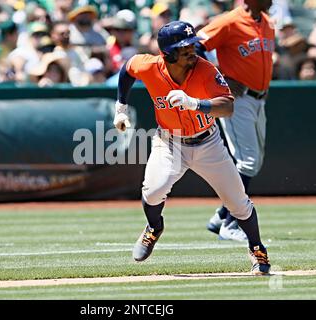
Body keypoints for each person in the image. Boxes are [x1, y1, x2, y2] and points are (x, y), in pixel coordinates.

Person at [114, 20, 271, 275]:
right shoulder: (150, 65)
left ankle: (257, 248)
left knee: (238, 203)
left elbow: (228, 106)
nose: (191, 50)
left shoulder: (205, 69)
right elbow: (127, 69)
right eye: (184, 47)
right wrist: (120, 108)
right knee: (153, 192)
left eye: (191, 44)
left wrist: (197, 104)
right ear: (168, 52)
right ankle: (154, 228)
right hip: (169, 142)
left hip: (208, 142)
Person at [196, 0, 275, 241]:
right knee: (248, 161)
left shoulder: (268, 22)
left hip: (258, 99)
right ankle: (231, 225)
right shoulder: (229, 21)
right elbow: (195, 46)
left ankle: (221, 215)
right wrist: (219, 78)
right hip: (236, 100)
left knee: (254, 161)